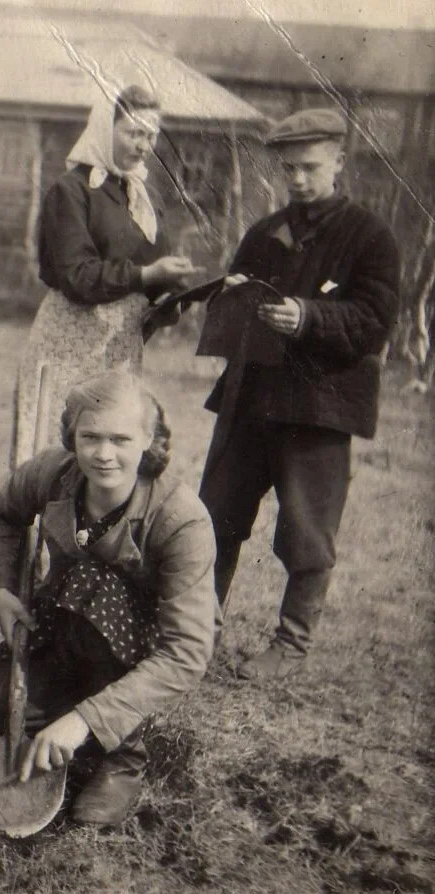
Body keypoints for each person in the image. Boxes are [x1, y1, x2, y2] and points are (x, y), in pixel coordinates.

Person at [198, 108, 400, 681]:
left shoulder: (371, 237)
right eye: (289, 170)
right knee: (215, 515)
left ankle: (290, 644)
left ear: (339, 162)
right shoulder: (265, 232)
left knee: (307, 529)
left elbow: (375, 322)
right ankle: (200, 629)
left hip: (319, 406)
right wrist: (229, 292)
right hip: (250, 395)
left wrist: (308, 317)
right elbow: (232, 298)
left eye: (310, 168)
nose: (298, 181)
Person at [0, 371, 217, 826]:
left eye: (121, 439)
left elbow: (187, 651)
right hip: (62, 620)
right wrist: (3, 590)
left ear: (149, 438)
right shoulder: (54, 473)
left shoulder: (182, 519)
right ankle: (69, 708)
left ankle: (122, 756)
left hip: (136, 645)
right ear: (73, 436)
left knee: (94, 581)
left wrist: (86, 719)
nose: (104, 455)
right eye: (90, 437)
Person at [12, 84, 200, 466]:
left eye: (150, 136)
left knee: (108, 453)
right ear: (103, 128)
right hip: (71, 341)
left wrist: (169, 295)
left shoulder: (143, 195)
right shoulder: (71, 191)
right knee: (58, 448)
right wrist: (147, 275)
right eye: (134, 133)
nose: (143, 145)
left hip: (119, 346)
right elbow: (77, 275)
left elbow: (148, 272)